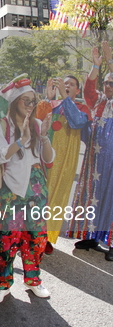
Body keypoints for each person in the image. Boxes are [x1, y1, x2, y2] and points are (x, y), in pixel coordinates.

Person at [0, 79, 54, 303]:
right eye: (26, 100)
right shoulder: (3, 125)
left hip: (36, 188)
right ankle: (4, 283)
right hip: (10, 189)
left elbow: (49, 159)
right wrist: (21, 140)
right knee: (8, 239)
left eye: (32, 101)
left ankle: (33, 279)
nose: (29, 104)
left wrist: (43, 135)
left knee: (36, 238)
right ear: (15, 101)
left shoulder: (36, 123)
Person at [35, 76, 90, 253]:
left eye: (71, 84)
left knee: (58, 197)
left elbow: (77, 122)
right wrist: (48, 99)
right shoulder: (53, 104)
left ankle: (48, 237)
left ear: (78, 91)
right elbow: (36, 120)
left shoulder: (82, 109)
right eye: (65, 84)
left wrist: (64, 99)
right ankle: (34, 235)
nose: (67, 86)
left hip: (66, 161)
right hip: (47, 157)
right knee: (39, 195)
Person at [69, 41, 113, 261]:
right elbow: (88, 89)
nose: (108, 86)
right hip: (94, 164)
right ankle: (91, 236)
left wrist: (110, 60)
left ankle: (111, 243)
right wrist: (97, 66)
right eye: (106, 83)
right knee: (91, 197)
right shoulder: (98, 102)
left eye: (112, 84)